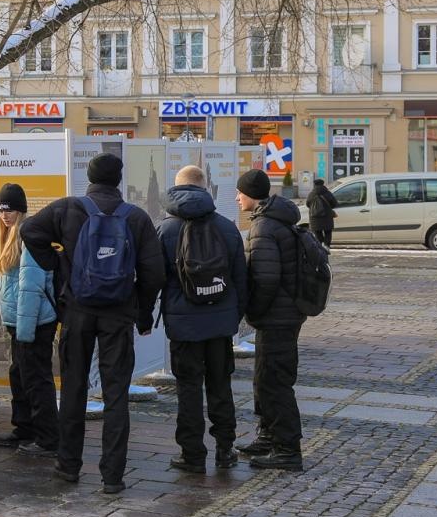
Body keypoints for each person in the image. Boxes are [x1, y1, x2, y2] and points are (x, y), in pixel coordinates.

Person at [22, 153, 165, 495]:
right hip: (118, 313)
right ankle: (112, 476)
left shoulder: (68, 208)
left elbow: (29, 231)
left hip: (77, 310)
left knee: (74, 388)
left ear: (89, 176)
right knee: (116, 394)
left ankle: (68, 465)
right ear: (118, 179)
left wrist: (58, 267)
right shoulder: (137, 218)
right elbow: (154, 273)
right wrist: (143, 315)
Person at [157, 166, 247, 473]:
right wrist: (234, 316)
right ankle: (225, 449)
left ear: (177, 187)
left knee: (189, 389)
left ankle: (192, 453)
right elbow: (240, 278)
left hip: (184, 326)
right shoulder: (226, 226)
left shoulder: (166, 230)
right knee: (220, 385)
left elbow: (155, 279)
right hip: (220, 324)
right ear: (204, 185)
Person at [237, 168, 308, 472]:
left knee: (275, 383)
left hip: (276, 316)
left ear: (251, 195)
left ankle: (287, 449)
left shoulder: (264, 226)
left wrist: (252, 311)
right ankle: (268, 437)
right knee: (265, 379)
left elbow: (265, 279)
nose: (238, 198)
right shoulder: (277, 220)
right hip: (286, 313)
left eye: (240, 193)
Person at [0, 183, 59, 455]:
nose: (5, 216)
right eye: (0, 211)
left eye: (9, 210)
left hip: (32, 321)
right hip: (21, 321)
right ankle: (25, 427)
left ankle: (48, 438)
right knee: (19, 374)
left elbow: (31, 288)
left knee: (36, 377)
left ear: (20, 210)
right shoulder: (10, 236)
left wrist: (25, 329)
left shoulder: (26, 236)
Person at [306, 177, 337, 247]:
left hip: (315, 217)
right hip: (327, 216)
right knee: (328, 232)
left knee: (317, 232)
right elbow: (334, 203)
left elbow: (308, 204)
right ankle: (326, 246)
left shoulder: (311, 194)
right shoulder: (328, 193)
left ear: (314, 185)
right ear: (323, 184)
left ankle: (320, 246)